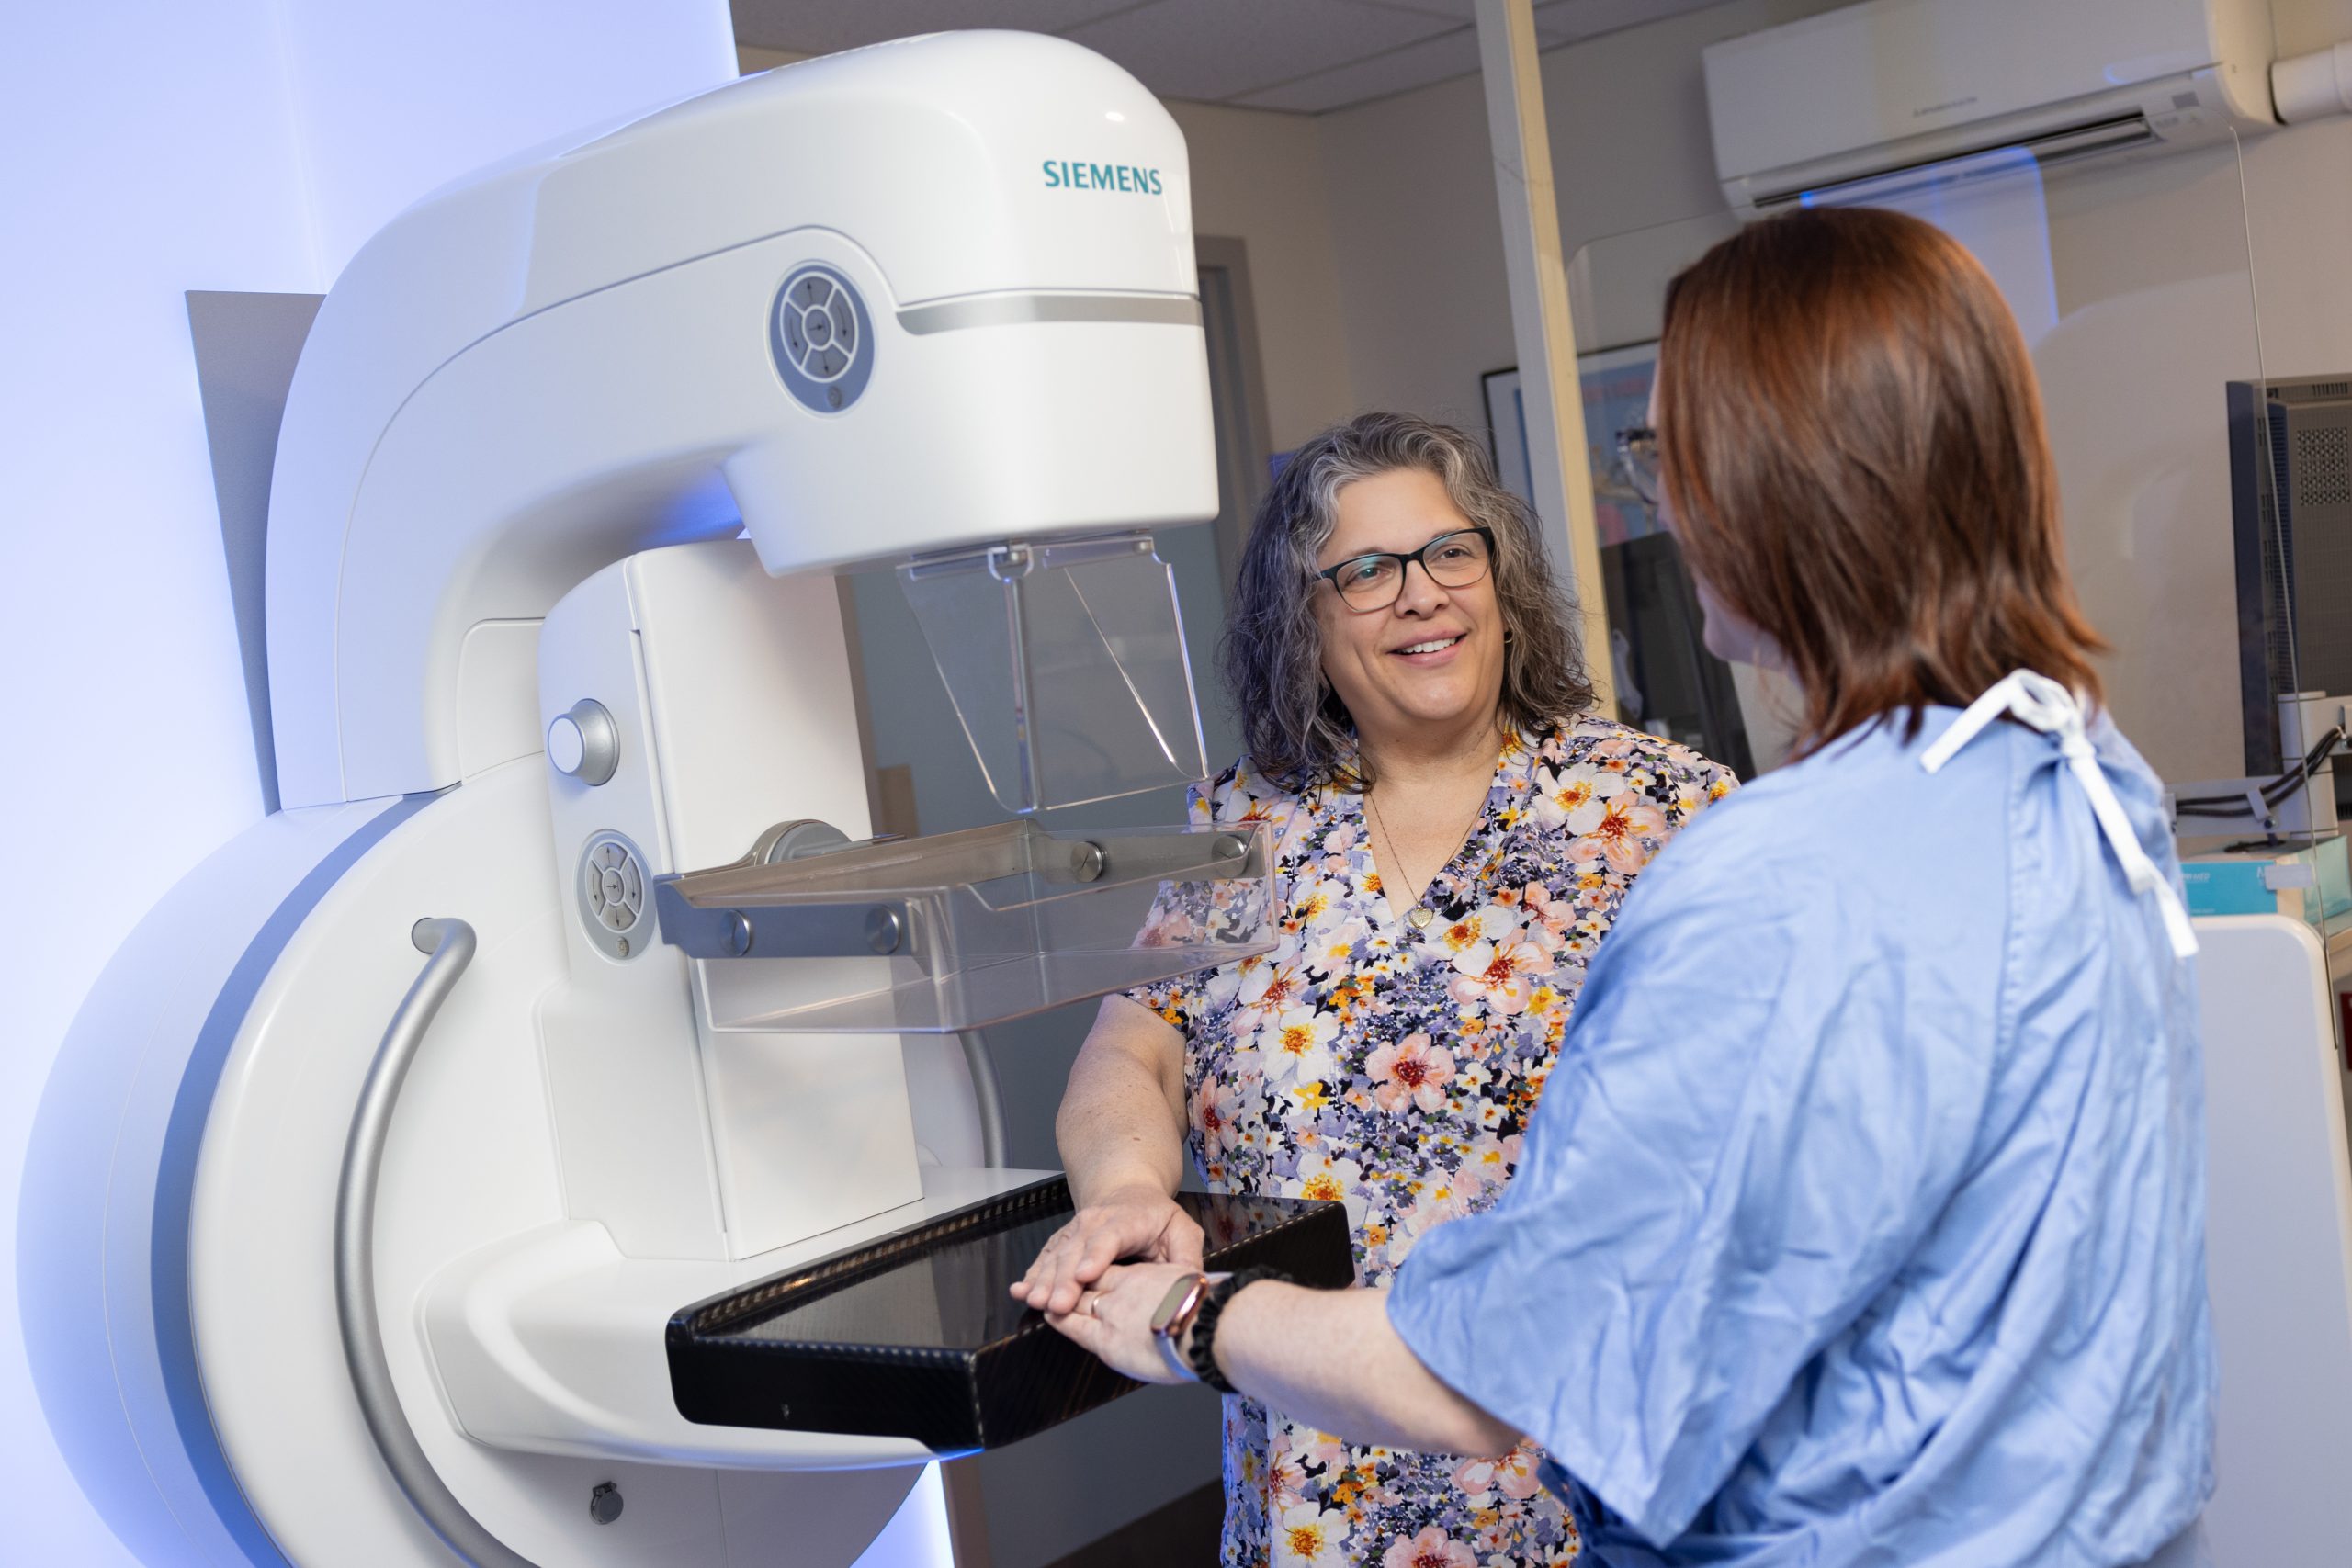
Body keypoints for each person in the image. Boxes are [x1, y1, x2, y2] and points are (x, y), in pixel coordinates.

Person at [1043, 206, 2215, 1568]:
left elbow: (1492, 1370)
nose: (1660, 500)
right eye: (1364, 572)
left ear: (1774, 492)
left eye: (1669, 455)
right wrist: (1135, 1188)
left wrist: (1190, 1316)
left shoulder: (1743, 861)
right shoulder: (2076, 770)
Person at [1013, 411, 1736, 1563]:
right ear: (1300, 618)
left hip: (1588, 1494)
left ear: (1500, 579)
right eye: (1364, 572)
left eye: (1452, 553)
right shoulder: (1240, 829)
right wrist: (1123, 1190)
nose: (1421, 595)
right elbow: (1132, 1049)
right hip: (1315, 1494)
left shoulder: (1657, 810)